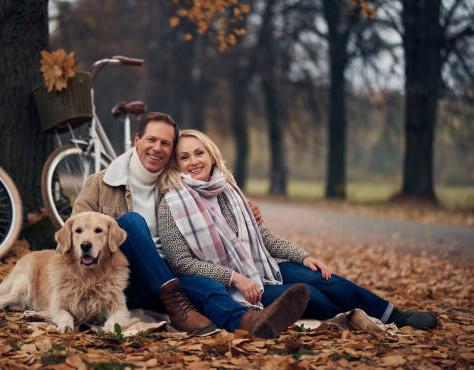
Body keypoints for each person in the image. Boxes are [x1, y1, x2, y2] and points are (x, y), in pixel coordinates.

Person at [157, 129, 438, 331]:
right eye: (184, 157)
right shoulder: (172, 204)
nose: (194, 161)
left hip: (261, 268)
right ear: (176, 164)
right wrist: (235, 278)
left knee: (324, 278)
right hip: (226, 285)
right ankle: (354, 319)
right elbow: (181, 264)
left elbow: (261, 236)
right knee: (308, 294)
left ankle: (395, 316)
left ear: (211, 155)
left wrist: (303, 257)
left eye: (199, 153)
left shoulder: (227, 190)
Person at [72, 113, 310, 338]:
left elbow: (213, 202)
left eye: (165, 143)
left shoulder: (177, 186)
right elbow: (76, 238)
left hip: (171, 279)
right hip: (122, 280)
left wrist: (247, 210)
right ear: (137, 140)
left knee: (207, 287)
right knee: (131, 223)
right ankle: (178, 305)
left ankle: (248, 322)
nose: (157, 148)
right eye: (151, 140)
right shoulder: (99, 184)